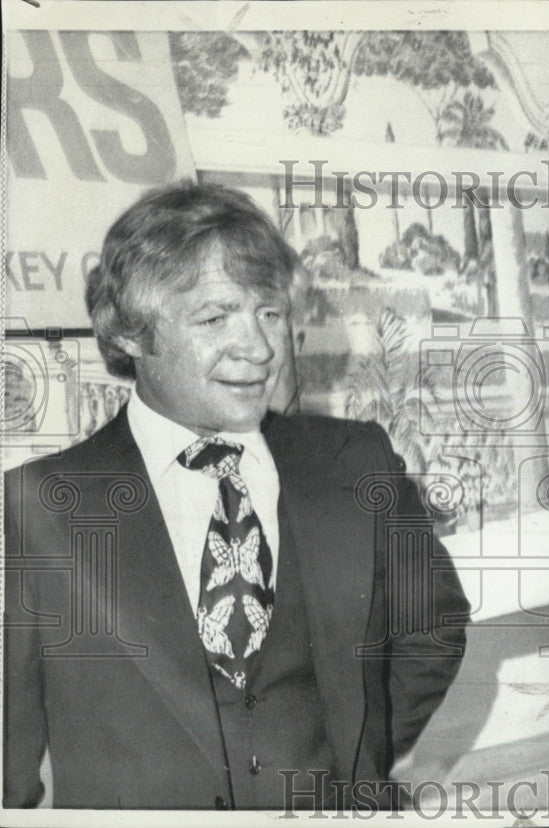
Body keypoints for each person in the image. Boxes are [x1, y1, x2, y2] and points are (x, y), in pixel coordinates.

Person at [3, 181, 470, 810]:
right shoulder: (40, 504)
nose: (259, 348)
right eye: (215, 316)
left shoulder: (356, 461)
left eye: (269, 312)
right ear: (133, 334)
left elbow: (432, 626)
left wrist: (354, 762)